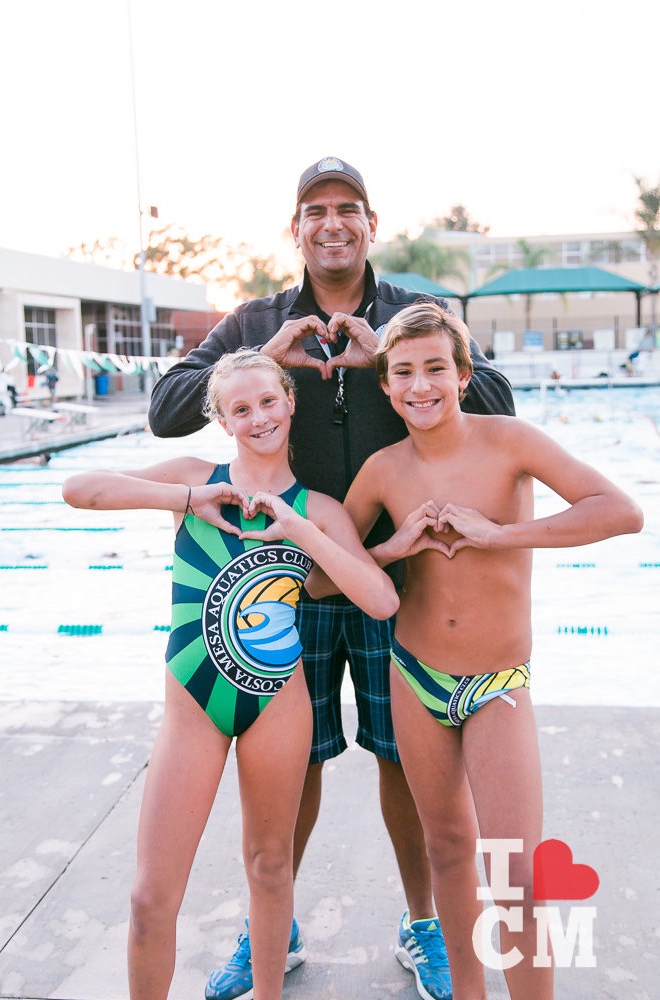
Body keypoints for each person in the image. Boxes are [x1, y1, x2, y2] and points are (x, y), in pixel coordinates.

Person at [149, 156, 516, 1000]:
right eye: (315, 209)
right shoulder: (256, 318)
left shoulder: (409, 317)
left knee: (401, 758)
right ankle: (270, 926)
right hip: (283, 579)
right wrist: (261, 352)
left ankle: (421, 924)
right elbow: (168, 408)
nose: (331, 223)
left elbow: (494, 395)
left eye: (347, 208)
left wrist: (384, 356)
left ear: (369, 223)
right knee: (295, 760)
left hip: (398, 572)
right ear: (296, 228)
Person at [62, 349, 398, 1000]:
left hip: (279, 706)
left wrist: (298, 527)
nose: (259, 417)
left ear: (289, 403)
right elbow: (80, 490)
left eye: (268, 402)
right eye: (240, 409)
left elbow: (379, 599)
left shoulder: (318, 508)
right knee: (148, 896)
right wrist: (189, 496)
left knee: (271, 869)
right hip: (193, 709)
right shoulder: (194, 478)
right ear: (222, 420)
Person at [342, 302, 644, 998]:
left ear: (463, 374)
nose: (420, 386)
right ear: (385, 386)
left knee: (514, 873)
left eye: (434, 370)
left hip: (496, 682)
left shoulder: (510, 442)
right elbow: (332, 572)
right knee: (446, 851)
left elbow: (619, 511)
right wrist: (393, 546)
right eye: (403, 373)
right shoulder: (383, 471)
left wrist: (496, 534)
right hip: (414, 676)